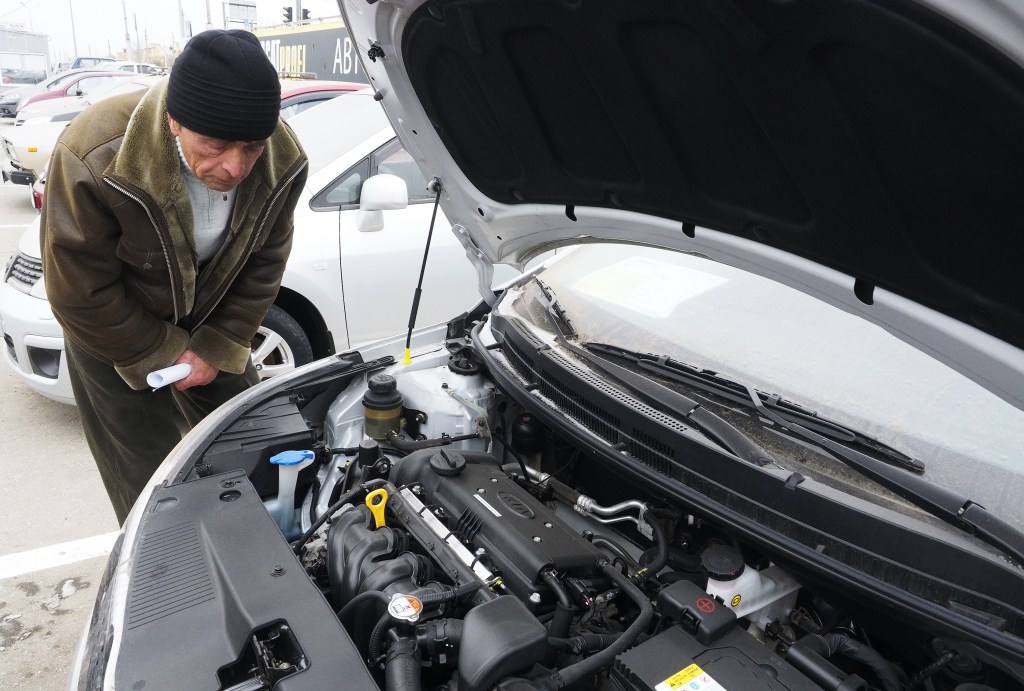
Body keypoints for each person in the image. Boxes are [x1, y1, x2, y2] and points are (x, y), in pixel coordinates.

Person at [40, 30, 308, 524]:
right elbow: (77, 288)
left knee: (261, 442)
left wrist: (219, 343)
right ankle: (161, 571)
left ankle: (263, 540)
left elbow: (265, 260)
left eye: (251, 148)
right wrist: (162, 352)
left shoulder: (282, 160)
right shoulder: (94, 152)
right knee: (148, 480)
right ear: (174, 121)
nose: (235, 167)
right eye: (216, 144)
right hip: (113, 331)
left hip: (211, 322)